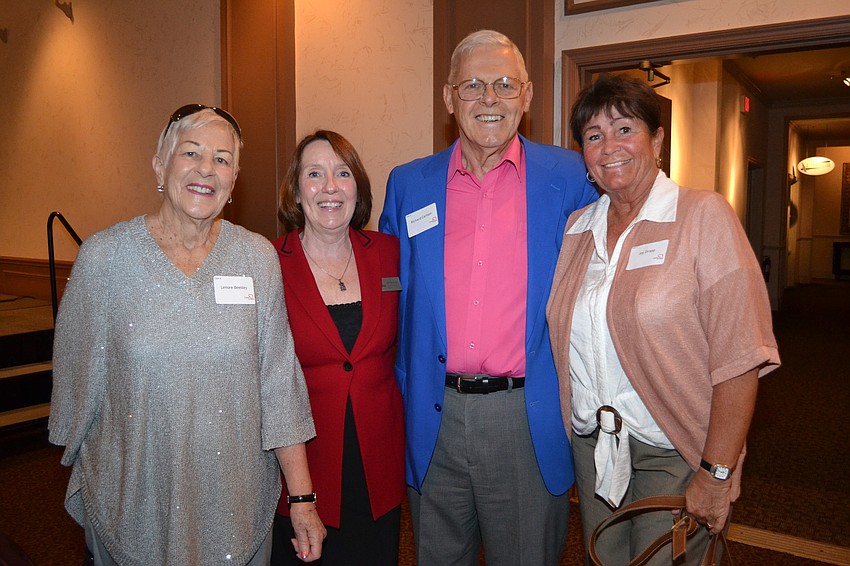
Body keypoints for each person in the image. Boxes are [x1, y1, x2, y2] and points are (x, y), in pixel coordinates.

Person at [48, 104, 325, 565]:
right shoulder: (104, 260)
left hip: (237, 504)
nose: (206, 170)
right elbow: (77, 386)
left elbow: (279, 385)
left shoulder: (257, 259)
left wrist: (302, 500)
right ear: (160, 165)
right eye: (191, 153)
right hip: (134, 502)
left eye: (221, 159)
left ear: (234, 179)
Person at [379, 30, 598, 565]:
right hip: (434, 417)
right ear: (449, 98)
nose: (489, 99)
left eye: (504, 85)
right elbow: (387, 296)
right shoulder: (408, 185)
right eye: (472, 85)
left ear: (526, 95)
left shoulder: (572, 176)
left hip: (527, 415)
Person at [546, 74, 781, 564]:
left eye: (624, 129)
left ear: (657, 139)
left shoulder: (703, 217)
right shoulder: (578, 230)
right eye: (593, 136)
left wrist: (716, 472)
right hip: (596, 452)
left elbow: (741, 355)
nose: (609, 147)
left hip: (672, 450)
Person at [270, 131, 404, 565]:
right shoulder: (268, 263)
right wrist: (299, 493)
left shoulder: (389, 253)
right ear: (296, 189)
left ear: (357, 187)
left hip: (378, 472)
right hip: (304, 470)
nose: (330, 186)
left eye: (342, 173)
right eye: (315, 174)